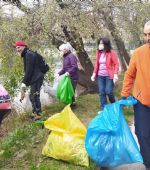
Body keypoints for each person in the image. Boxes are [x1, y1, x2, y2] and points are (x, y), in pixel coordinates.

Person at [121, 20, 150, 170]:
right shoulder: (138, 53)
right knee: (142, 133)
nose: (147, 37)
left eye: (149, 34)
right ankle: (148, 162)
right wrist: (125, 94)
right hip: (142, 102)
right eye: (145, 34)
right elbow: (129, 74)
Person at [15, 40, 44, 121]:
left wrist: (24, 82)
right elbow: (29, 71)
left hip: (37, 78)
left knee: (34, 96)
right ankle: (35, 112)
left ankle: (38, 114)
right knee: (32, 96)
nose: (17, 49)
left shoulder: (28, 55)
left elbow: (29, 70)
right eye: (16, 48)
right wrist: (25, 83)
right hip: (35, 78)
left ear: (23, 46)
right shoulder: (27, 54)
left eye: (19, 47)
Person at [91, 37, 119, 110]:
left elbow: (116, 64)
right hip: (100, 76)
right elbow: (97, 64)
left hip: (109, 76)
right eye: (99, 43)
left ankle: (114, 105)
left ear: (106, 44)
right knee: (101, 92)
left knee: (109, 92)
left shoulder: (111, 52)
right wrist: (94, 74)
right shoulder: (98, 52)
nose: (100, 45)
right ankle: (104, 109)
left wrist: (115, 74)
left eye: (102, 43)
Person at [57, 43, 78, 109]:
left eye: (60, 50)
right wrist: (59, 73)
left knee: (71, 91)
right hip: (68, 77)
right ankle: (72, 104)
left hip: (73, 77)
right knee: (69, 90)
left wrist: (68, 72)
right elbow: (64, 68)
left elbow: (74, 67)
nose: (60, 52)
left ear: (65, 50)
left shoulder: (71, 56)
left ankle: (71, 105)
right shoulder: (65, 57)